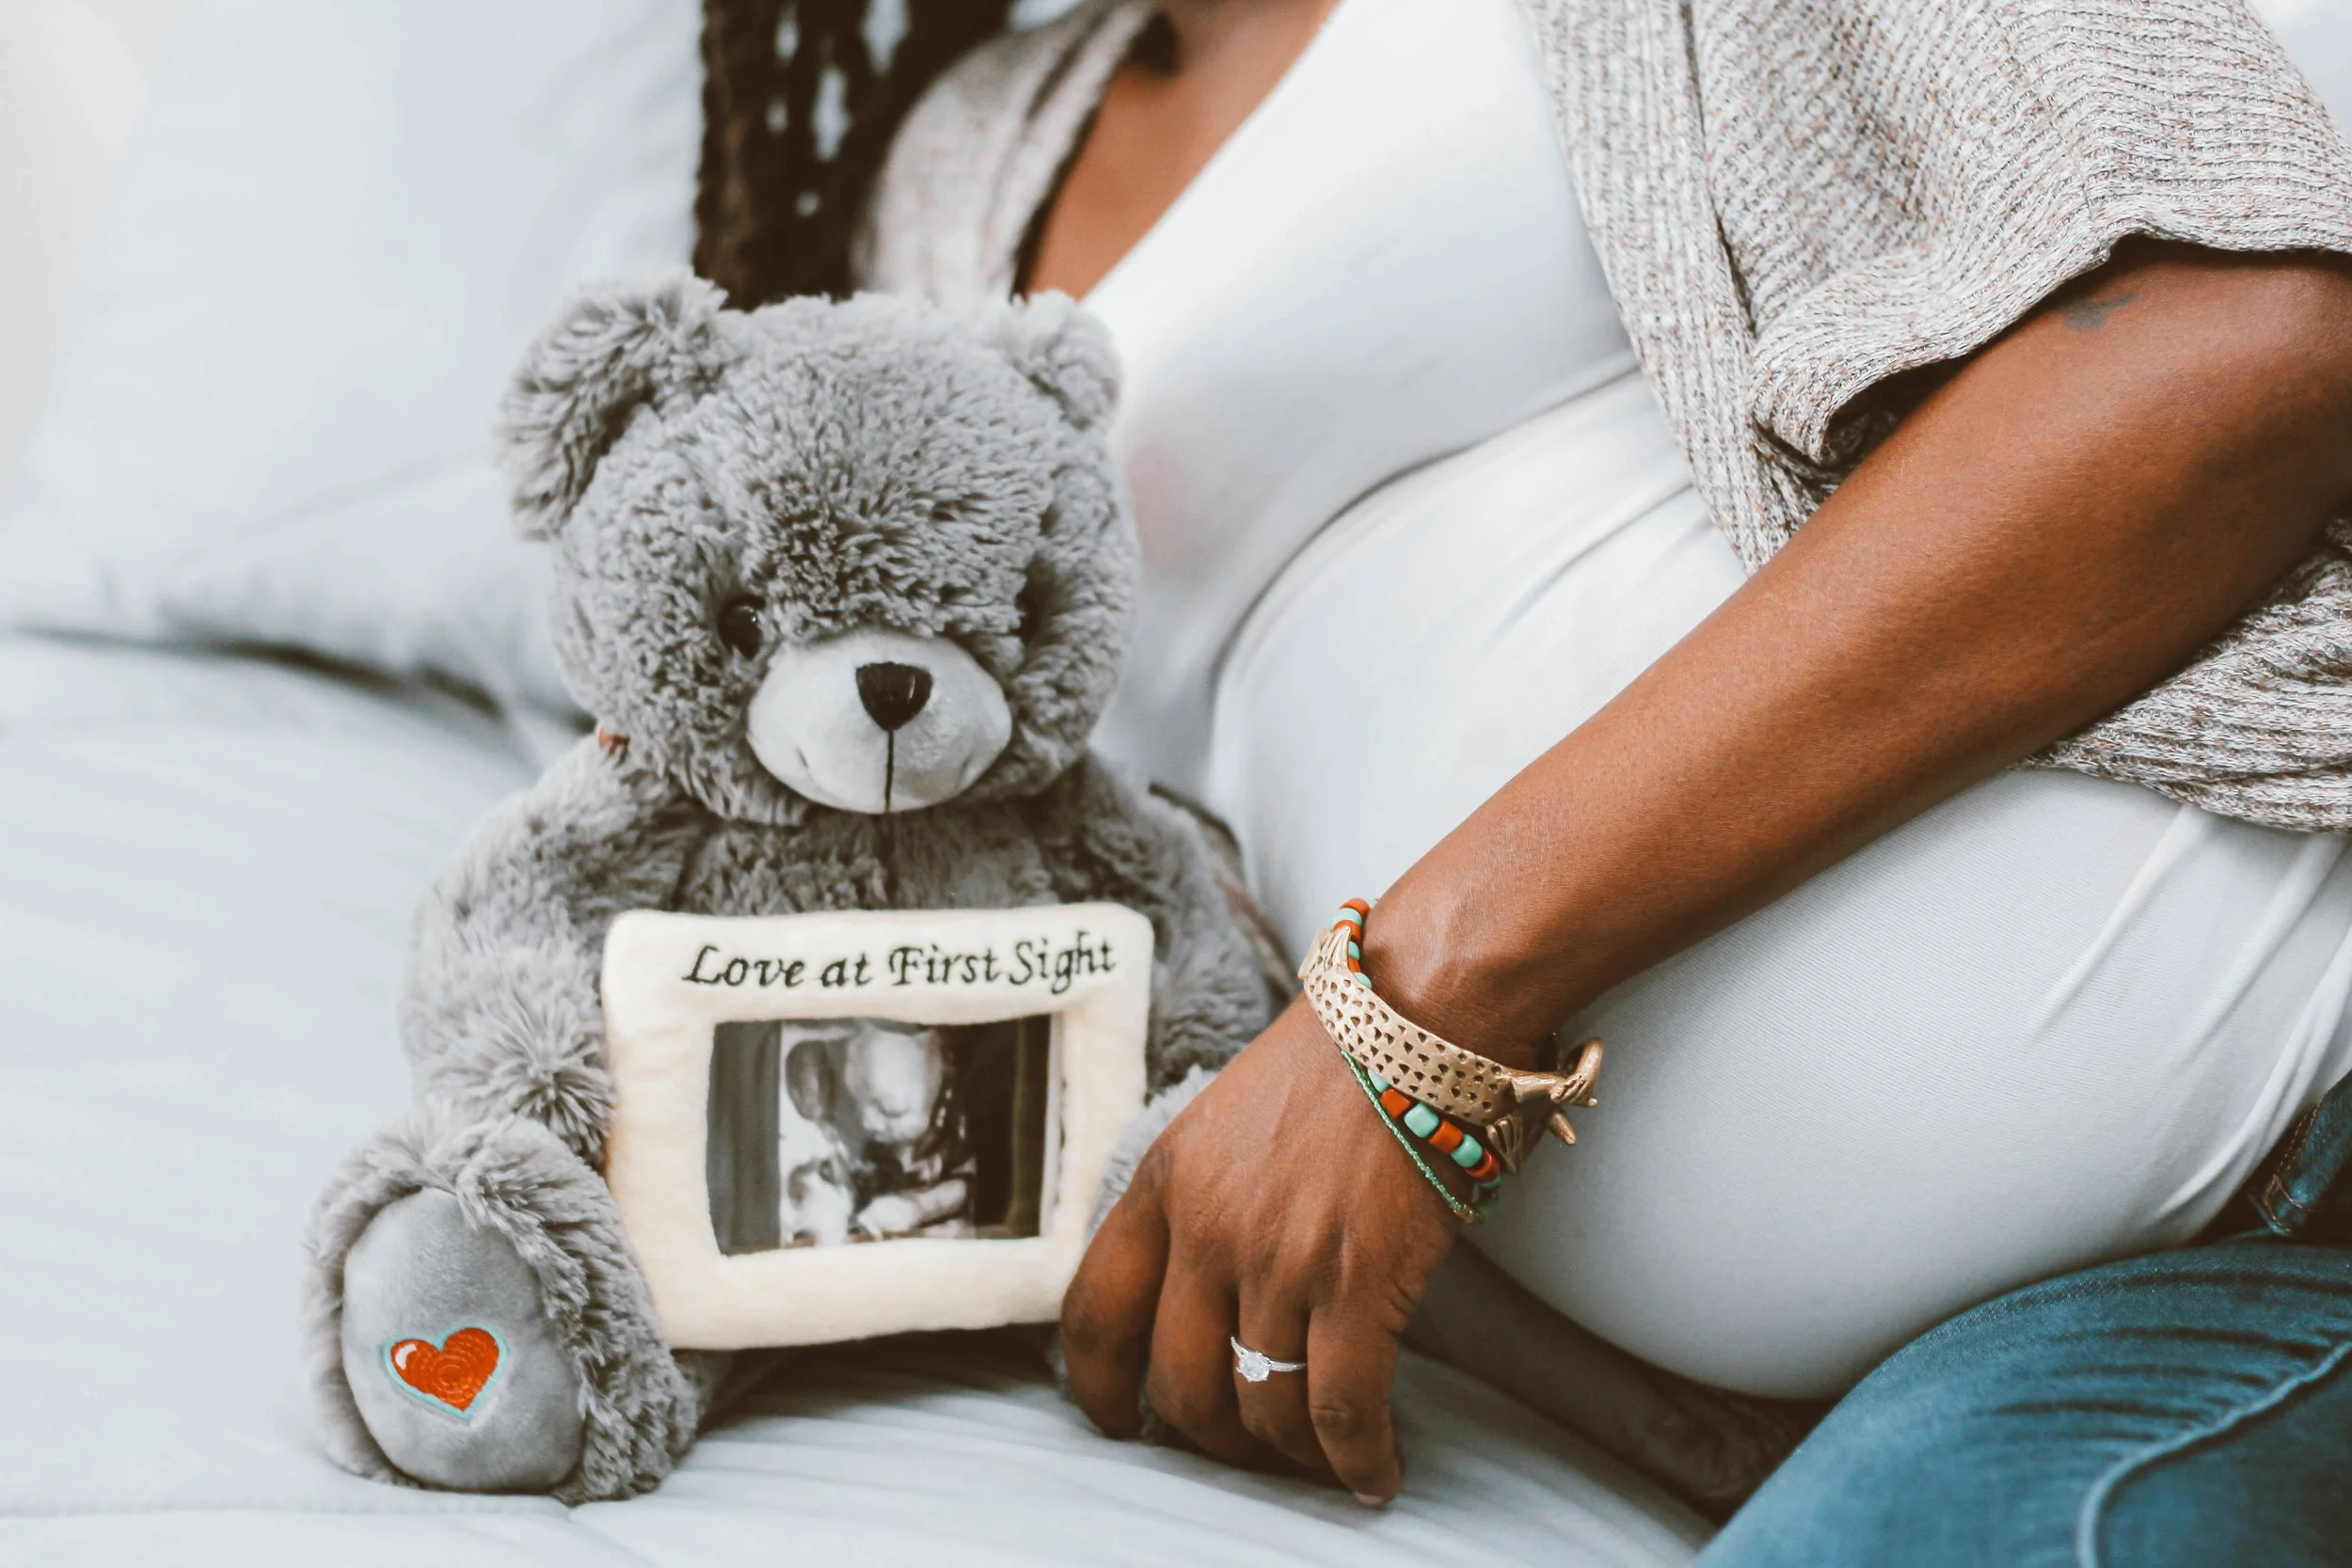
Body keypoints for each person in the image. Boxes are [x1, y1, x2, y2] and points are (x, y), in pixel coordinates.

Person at [850, 0, 2352, 1557]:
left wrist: (1430, 993)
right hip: (1838, 1391)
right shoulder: (961, 166)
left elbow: (2239, 334)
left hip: (2282, 1169)